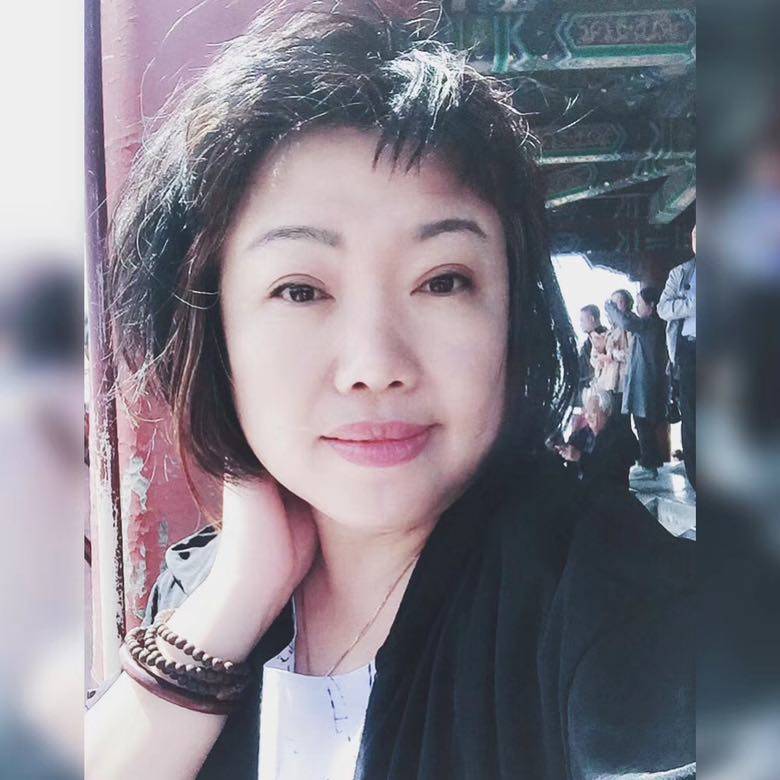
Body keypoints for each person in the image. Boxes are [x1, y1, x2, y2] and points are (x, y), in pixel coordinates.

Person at [85, 6, 694, 780]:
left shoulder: (612, 597)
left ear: (514, 314)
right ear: (215, 329)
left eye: (442, 281)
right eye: (300, 290)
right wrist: (236, 597)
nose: (375, 365)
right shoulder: (203, 585)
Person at [604, 287, 668, 479]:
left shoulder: (651, 324)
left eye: (640, 303)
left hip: (646, 381)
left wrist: (609, 306)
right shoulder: (649, 324)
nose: (638, 307)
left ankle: (650, 465)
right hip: (644, 380)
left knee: (643, 423)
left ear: (652, 306)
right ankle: (650, 462)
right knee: (642, 423)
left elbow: (626, 322)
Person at [658, 225, 696, 489]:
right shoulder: (681, 273)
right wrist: (694, 304)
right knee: (692, 415)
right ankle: (696, 478)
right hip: (691, 350)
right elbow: (662, 309)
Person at [556, 388, 640, 492]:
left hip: (610, 494)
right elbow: (569, 450)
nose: (587, 416)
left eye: (593, 412)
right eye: (586, 412)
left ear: (607, 412)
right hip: (582, 493)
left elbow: (609, 469)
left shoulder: (621, 436)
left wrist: (580, 457)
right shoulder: (582, 434)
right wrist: (560, 450)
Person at [592, 289, 634, 430]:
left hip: (622, 384)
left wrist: (613, 354)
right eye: (613, 303)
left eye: (618, 302)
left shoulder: (630, 326)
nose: (614, 306)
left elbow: (632, 355)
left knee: (621, 425)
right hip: (608, 384)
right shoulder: (611, 329)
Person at [575, 304, 607, 407]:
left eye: (582, 320)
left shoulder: (602, 338)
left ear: (592, 319)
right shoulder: (588, 342)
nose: (580, 324)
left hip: (599, 392)